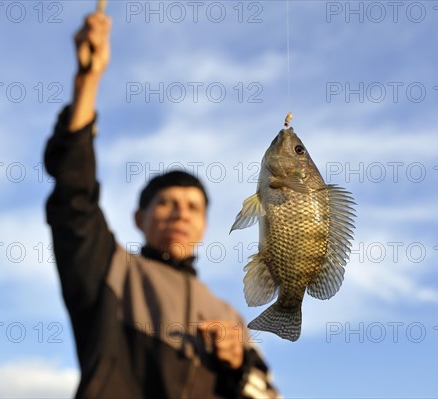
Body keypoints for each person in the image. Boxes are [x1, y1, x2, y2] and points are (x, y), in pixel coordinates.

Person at [44, 11, 279, 398]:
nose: (180, 213)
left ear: (204, 224)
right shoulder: (108, 271)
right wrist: (87, 81)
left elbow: (268, 394)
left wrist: (238, 365)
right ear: (140, 218)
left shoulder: (228, 316)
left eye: (192, 207)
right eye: (166, 203)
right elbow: (74, 195)